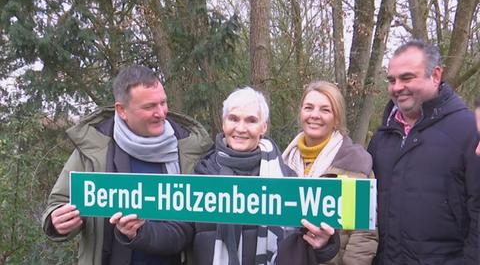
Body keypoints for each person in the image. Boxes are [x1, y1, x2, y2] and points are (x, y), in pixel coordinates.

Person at [112, 86, 340, 265]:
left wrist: (324, 244)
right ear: (223, 123)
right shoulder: (202, 174)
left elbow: (303, 248)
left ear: (264, 127)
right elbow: (178, 234)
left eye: (251, 120)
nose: (241, 128)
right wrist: (138, 232)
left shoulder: (286, 179)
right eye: (234, 119)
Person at [41, 65, 213, 265]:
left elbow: (203, 220)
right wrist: (57, 220)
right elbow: (59, 203)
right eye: (149, 107)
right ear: (122, 110)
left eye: (163, 103)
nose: (161, 113)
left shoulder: (190, 147)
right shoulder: (94, 148)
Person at [367, 40, 480, 264]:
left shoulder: (470, 131)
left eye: (407, 78)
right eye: (391, 80)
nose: (397, 87)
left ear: (436, 75)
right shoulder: (382, 138)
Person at [282, 81, 377, 265]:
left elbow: (363, 237)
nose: (314, 115)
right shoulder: (283, 162)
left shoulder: (355, 165)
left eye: (325, 110)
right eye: (309, 107)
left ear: (337, 119)